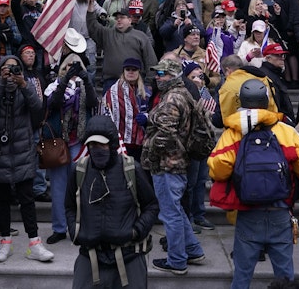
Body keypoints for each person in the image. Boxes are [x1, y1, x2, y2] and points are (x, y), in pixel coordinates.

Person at [208, 79, 299, 288]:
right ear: (267, 101)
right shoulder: (286, 130)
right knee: (285, 274)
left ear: (241, 101)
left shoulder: (232, 133)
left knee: (242, 274)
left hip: (247, 212)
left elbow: (218, 169)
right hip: (280, 209)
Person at [65, 115, 159, 289]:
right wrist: (75, 231)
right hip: (90, 255)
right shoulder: (79, 170)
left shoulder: (131, 169)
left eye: (101, 144)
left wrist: (135, 232)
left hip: (129, 255)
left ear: (112, 144)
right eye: (92, 145)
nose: (96, 149)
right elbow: (70, 206)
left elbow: (151, 206)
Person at [0, 55, 53, 263]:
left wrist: (24, 85)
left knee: (27, 199)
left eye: (15, 69)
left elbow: (38, 111)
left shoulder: (26, 88)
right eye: (6, 68)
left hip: (22, 150)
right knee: (2, 199)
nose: (11, 72)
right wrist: (1, 83)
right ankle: (5, 242)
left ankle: (34, 243)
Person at [141, 59, 205, 275]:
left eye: (162, 73)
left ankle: (177, 260)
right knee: (176, 210)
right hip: (178, 162)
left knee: (170, 214)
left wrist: (150, 155)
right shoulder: (182, 94)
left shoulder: (172, 98)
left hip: (168, 164)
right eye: (157, 73)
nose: (158, 77)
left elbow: (166, 133)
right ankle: (193, 250)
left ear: (173, 75)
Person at [43, 29, 98, 246]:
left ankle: (81, 225)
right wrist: (64, 81)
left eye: (74, 68)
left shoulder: (85, 86)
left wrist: (86, 80)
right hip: (59, 143)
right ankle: (59, 228)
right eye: (66, 68)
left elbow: (93, 103)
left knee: (81, 187)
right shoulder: (55, 86)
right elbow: (51, 104)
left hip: (79, 142)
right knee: (58, 188)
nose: (71, 71)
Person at [87, 1, 157, 92]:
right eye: (117, 18)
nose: (119, 20)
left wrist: (149, 82)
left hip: (134, 82)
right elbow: (92, 27)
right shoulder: (107, 34)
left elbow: (150, 60)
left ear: (130, 20)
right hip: (111, 82)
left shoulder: (141, 36)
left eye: (122, 17)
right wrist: (90, 8)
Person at [103, 57, 151, 162]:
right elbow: (105, 112)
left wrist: (146, 117)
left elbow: (154, 112)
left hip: (140, 142)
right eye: (128, 69)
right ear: (123, 71)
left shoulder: (146, 93)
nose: (130, 72)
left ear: (139, 72)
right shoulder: (112, 92)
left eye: (134, 70)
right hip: (120, 141)